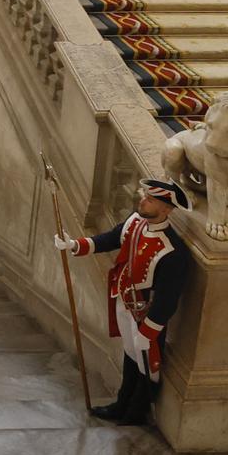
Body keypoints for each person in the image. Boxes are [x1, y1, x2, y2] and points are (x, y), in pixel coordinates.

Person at [53, 179, 194, 426]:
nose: (143, 201)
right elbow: (112, 238)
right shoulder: (136, 222)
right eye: (145, 196)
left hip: (146, 315)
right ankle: (121, 403)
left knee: (147, 364)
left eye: (150, 200)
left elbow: (167, 298)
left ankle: (136, 411)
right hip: (124, 301)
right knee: (130, 355)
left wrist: (150, 331)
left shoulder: (173, 251)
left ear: (166, 209)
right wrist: (75, 245)